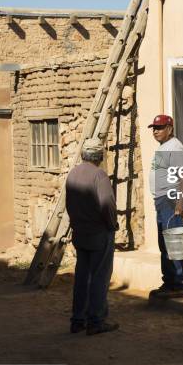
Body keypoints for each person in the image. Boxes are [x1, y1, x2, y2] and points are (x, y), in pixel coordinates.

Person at [66, 137, 119, 335]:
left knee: (81, 277)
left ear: (83, 154)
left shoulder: (73, 174)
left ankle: (77, 320)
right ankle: (95, 321)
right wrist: (112, 224)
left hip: (80, 233)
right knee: (99, 277)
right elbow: (107, 205)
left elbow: (69, 204)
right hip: (98, 233)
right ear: (99, 155)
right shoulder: (99, 175)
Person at [148, 114, 183, 298]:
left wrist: (180, 202)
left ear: (170, 129)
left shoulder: (175, 147)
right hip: (161, 200)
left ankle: (177, 284)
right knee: (164, 243)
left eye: (160, 127)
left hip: (170, 200)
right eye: (154, 128)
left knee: (174, 242)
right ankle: (169, 281)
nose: (156, 131)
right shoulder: (164, 147)